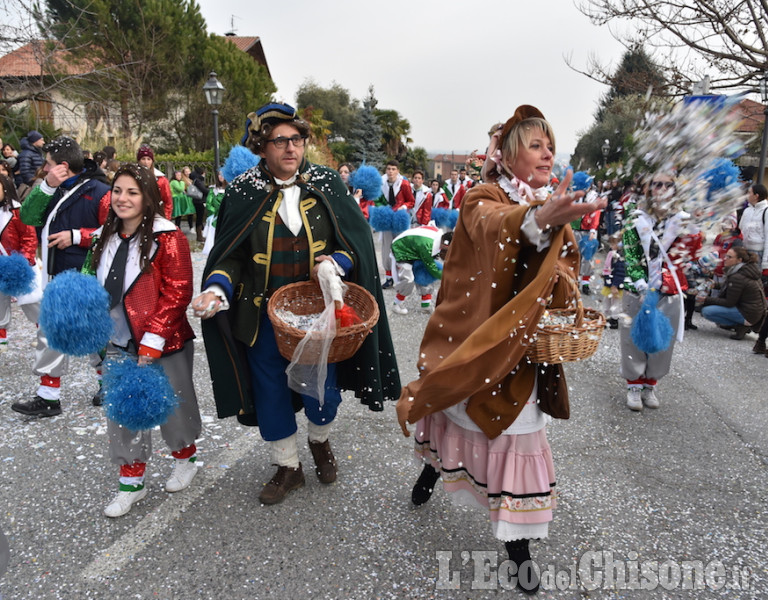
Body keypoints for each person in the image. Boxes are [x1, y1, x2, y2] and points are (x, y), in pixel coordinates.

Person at [395, 105, 604, 595]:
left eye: (549, 143)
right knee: (450, 404)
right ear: (508, 157)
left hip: (525, 348)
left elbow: (563, 266)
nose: (547, 152)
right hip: (478, 337)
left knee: (519, 433)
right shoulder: (482, 197)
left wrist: (559, 237)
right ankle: (432, 470)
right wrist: (539, 217)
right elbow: (495, 226)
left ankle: (518, 550)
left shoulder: (549, 199)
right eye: (536, 144)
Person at [192, 103, 400, 505]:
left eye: (297, 140)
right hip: (261, 318)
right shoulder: (243, 190)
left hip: (317, 314)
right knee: (269, 391)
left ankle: (320, 439)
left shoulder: (325, 181)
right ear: (261, 146)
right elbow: (229, 254)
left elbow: (353, 241)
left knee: (323, 393)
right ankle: (288, 466)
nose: (291, 148)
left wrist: (337, 263)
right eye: (280, 141)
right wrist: (216, 290)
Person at [84, 163, 202, 517]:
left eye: (132, 192)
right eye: (117, 191)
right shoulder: (103, 236)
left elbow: (178, 291)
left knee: (173, 408)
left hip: (163, 339)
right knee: (123, 413)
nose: (122, 198)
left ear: (148, 196)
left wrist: (154, 339)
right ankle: (130, 483)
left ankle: (185, 459)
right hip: (118, 341)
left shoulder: (169, 237)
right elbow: (93, 281)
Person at [13, 136, 111, 416]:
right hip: (56, 275)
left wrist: (78, 236)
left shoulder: (101, 191)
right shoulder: (51, 188)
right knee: (50, 332)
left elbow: (115, 231)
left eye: (48, 164)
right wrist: (46, 186)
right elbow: (28, 217)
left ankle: (108, 384)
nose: (44, 169)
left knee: (94, 333)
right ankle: (48, 395)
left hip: (85, 275)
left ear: (63, 166)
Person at [620, 172, 702, 411]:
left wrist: (696, 227)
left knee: (662, 338)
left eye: (669, 184)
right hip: (637, 288)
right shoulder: (635, 217)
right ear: (649, 189)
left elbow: (691, 255)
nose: (663, 188)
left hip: (669, 289)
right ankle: (634, 385)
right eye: (658, 184)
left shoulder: (684, 219)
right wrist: (641, 284)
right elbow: (631, 253)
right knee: (633, 337)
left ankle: (650, 384)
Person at [0, 173, 38, 352]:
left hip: (18, 266)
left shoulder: (18, 211)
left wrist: (24, 261)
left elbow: (29, 237)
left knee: (31, 302)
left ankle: (44, 333)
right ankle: (2, 338)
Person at [701, 247, 767, 340]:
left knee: (707, 311)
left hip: (749, 314)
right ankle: (740, 324)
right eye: (726, 256)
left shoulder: (738, 276)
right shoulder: (747, 270)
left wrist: (706, 299)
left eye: (729, 257)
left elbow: (729, 302)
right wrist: (715, 285)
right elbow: (733, 288)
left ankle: (740, 325)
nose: (725, 259)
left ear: (739, 260)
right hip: (754, 311)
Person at [390, 225, 451, 315]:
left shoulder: (440, 238)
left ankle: (426, 305)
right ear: (444, 245)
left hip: (415, 249)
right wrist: (447, 276)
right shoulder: (428, 245)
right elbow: (432, 268)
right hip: (401, 249)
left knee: (425, 274)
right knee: (408, 279)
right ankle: (397, 304)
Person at [376, 160, 414, 288]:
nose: (390, 171)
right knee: (386, 249)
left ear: (397, 171)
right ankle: (388, 278)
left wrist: (404, 206)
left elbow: (411, 201)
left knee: (400, 247)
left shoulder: (404, 184)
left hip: (400, 219)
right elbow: (377, 200)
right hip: (387, 219)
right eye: (388, 169)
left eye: (393, 169)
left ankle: (402, 277)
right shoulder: (381, 183)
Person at [136, 145, 173, 221]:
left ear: (152, 161)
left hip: (156, 218)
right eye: (143, 159)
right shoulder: (132, 177)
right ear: (139, 161)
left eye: (148, 159)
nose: (146, 162)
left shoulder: (161, 180)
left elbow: (168, 202)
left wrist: (165, 219)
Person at [737, 183, 768, 268]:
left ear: (756, 196)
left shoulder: (766, 211)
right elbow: (740, 231)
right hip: (744, 252)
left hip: (758, 254)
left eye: (749, 193)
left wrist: (766, 263)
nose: (747, 195)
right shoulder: (747, 211)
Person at [601, 232, 625, 329]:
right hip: (610, 283)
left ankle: (614, 320)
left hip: (615, 284)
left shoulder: (620, 257)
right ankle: (605, 318)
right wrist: (605, 275)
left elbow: (620, 272)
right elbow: (608, 267)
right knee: (606, 301)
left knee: (615, 303)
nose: (611, 246)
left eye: (613, 244)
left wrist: (615, 285)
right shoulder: (612, 254)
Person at [201, 171, 226, 255]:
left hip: (226, 216)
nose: (221, 176)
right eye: (219, 174)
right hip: (215, 217)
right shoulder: (213, 189)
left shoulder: (231, 188)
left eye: (223, 174)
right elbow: (209, 203)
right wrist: (216, 212)